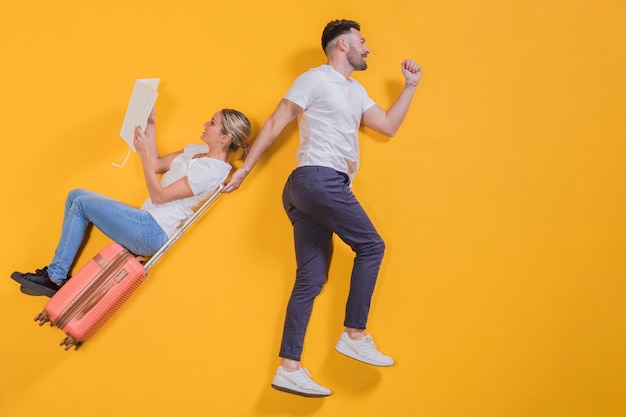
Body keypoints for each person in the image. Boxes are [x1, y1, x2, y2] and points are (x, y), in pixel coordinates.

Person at [222, 19, 422, 397]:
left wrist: (410, 87)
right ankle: (355, 333)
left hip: (310, 189)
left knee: (309, 280)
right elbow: (279, 119)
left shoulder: (355, 90)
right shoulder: (314, 78)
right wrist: (245, 169)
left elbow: (387, 126)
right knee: (372, 246)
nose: (368, 48)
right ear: (342, 46)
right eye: (362, 42)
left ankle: (288, 368)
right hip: (318, 179)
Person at [12, 107, 251, 297]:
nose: (205, 125)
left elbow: (159, 195)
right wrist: (151, 125)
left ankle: (55, 278)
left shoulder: (213, 170)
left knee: (83, 204)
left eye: (212, 123)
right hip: (145, 220)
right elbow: (157, 164)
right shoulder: (196, 150)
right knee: (76, 195)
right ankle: (55, 275)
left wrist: (144, 154)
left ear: (225, 137)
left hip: (153, 231)